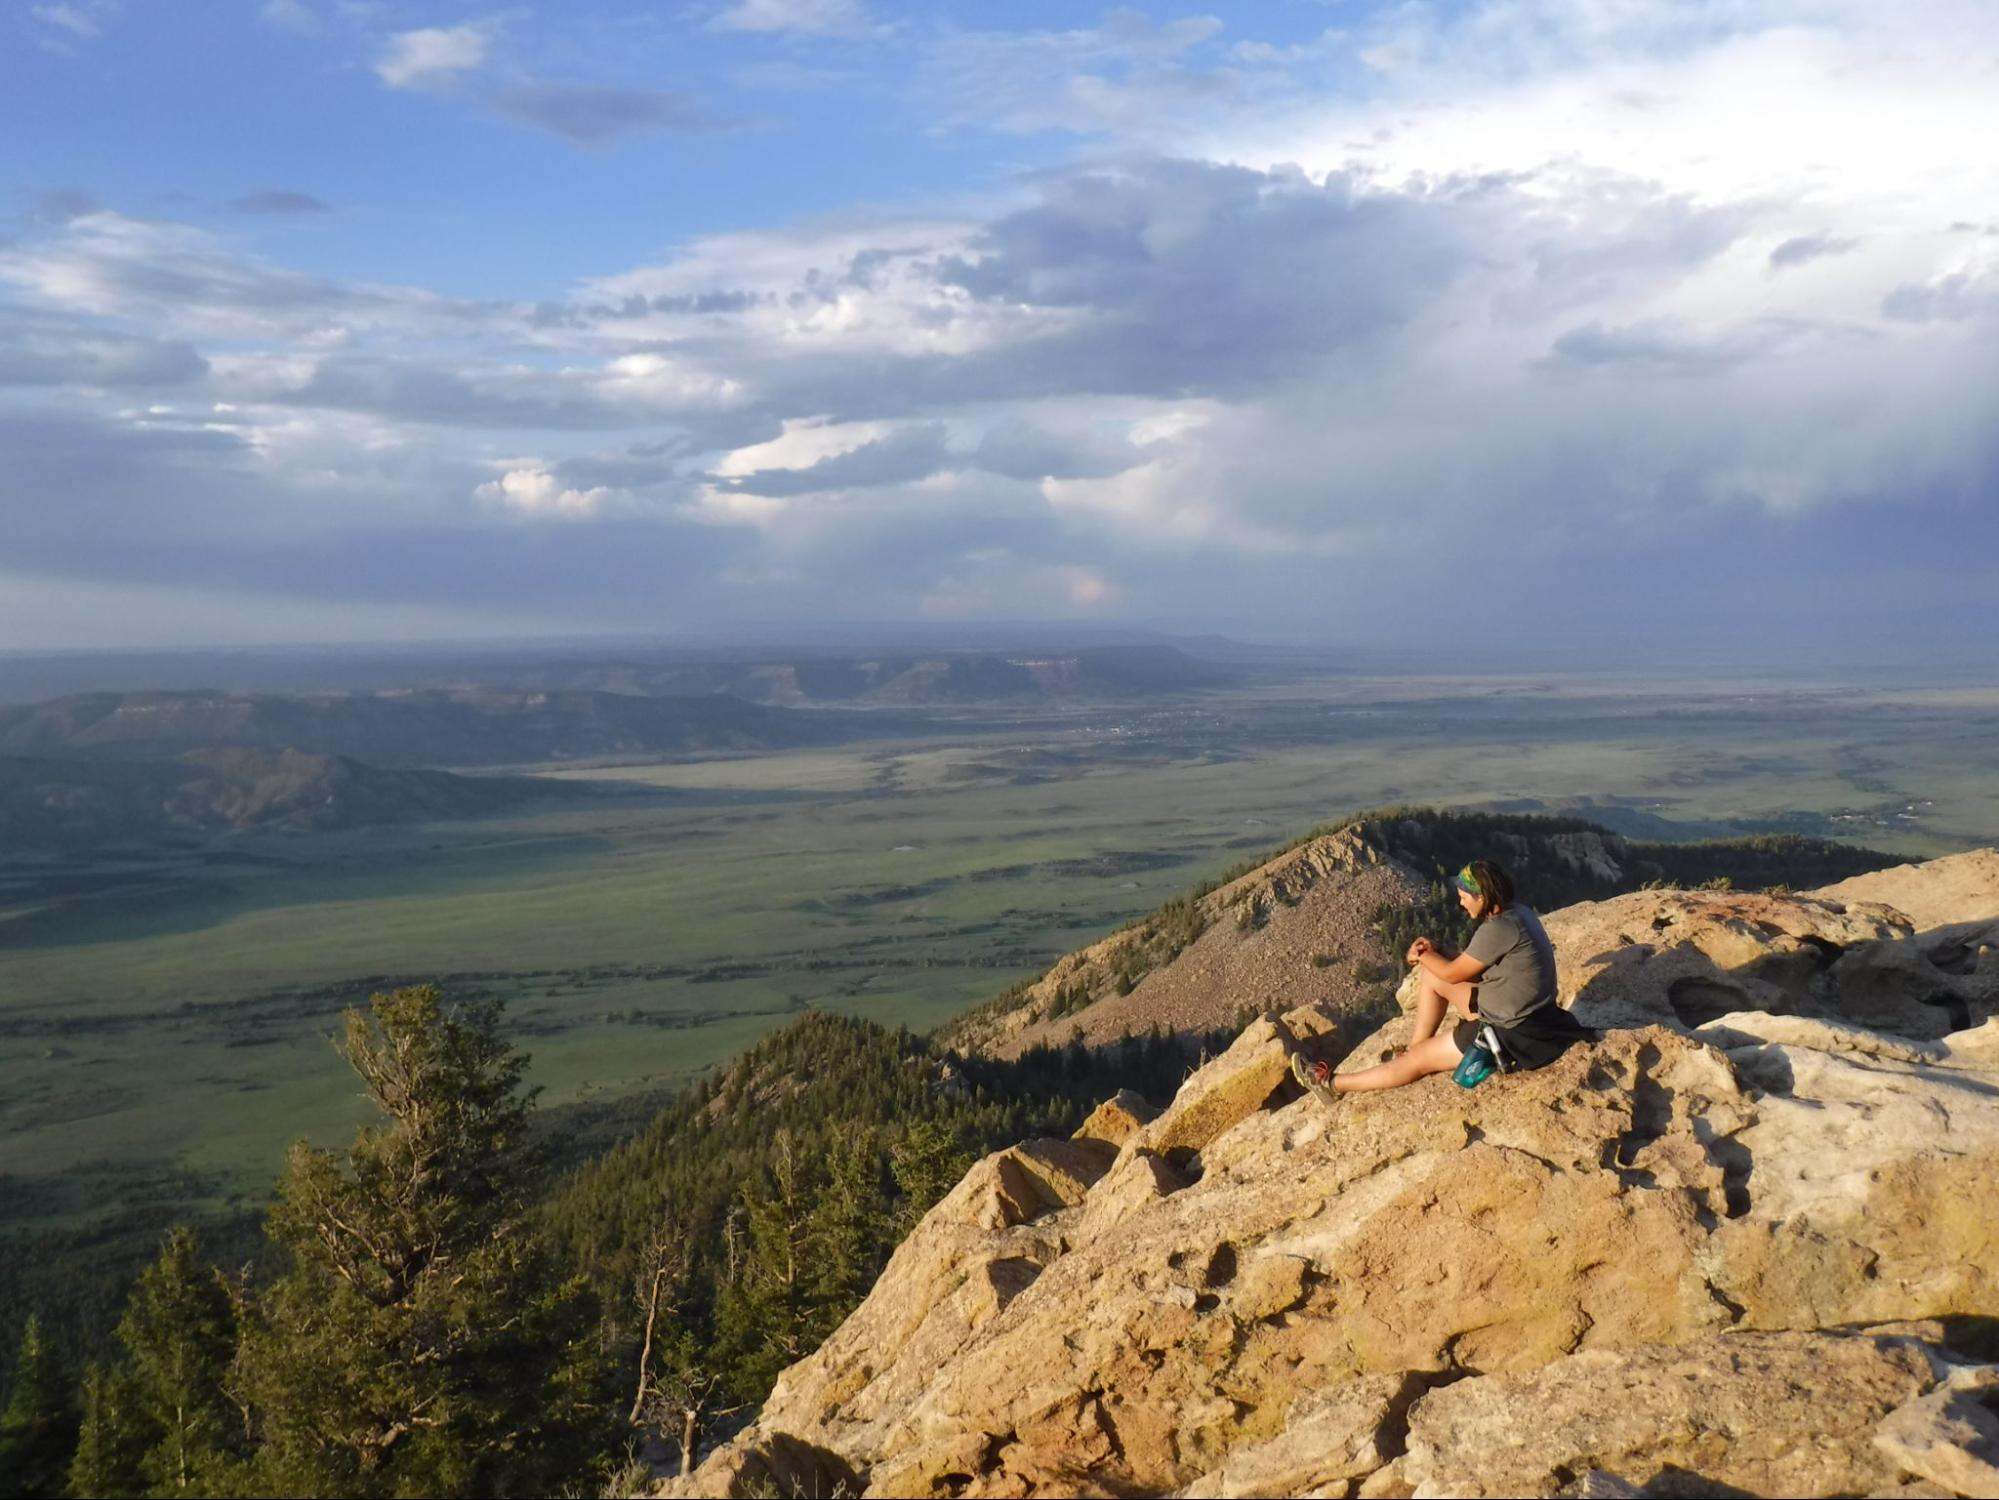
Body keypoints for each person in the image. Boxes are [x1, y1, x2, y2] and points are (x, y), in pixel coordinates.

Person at [1292, 859, 1590, 1102]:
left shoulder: (1497, 929)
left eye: (1464, 897)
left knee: (1419, 1055)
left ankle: (1332, 1084)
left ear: (1482, 896)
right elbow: (1470, 965)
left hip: (1512, 1030)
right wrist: (1437, 951)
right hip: (1525, 1012)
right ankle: (1416, 1049)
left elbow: (1452, 973)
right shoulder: (1516, 914)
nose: (1461, 904)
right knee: (1432, 978)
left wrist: (1422, 956)